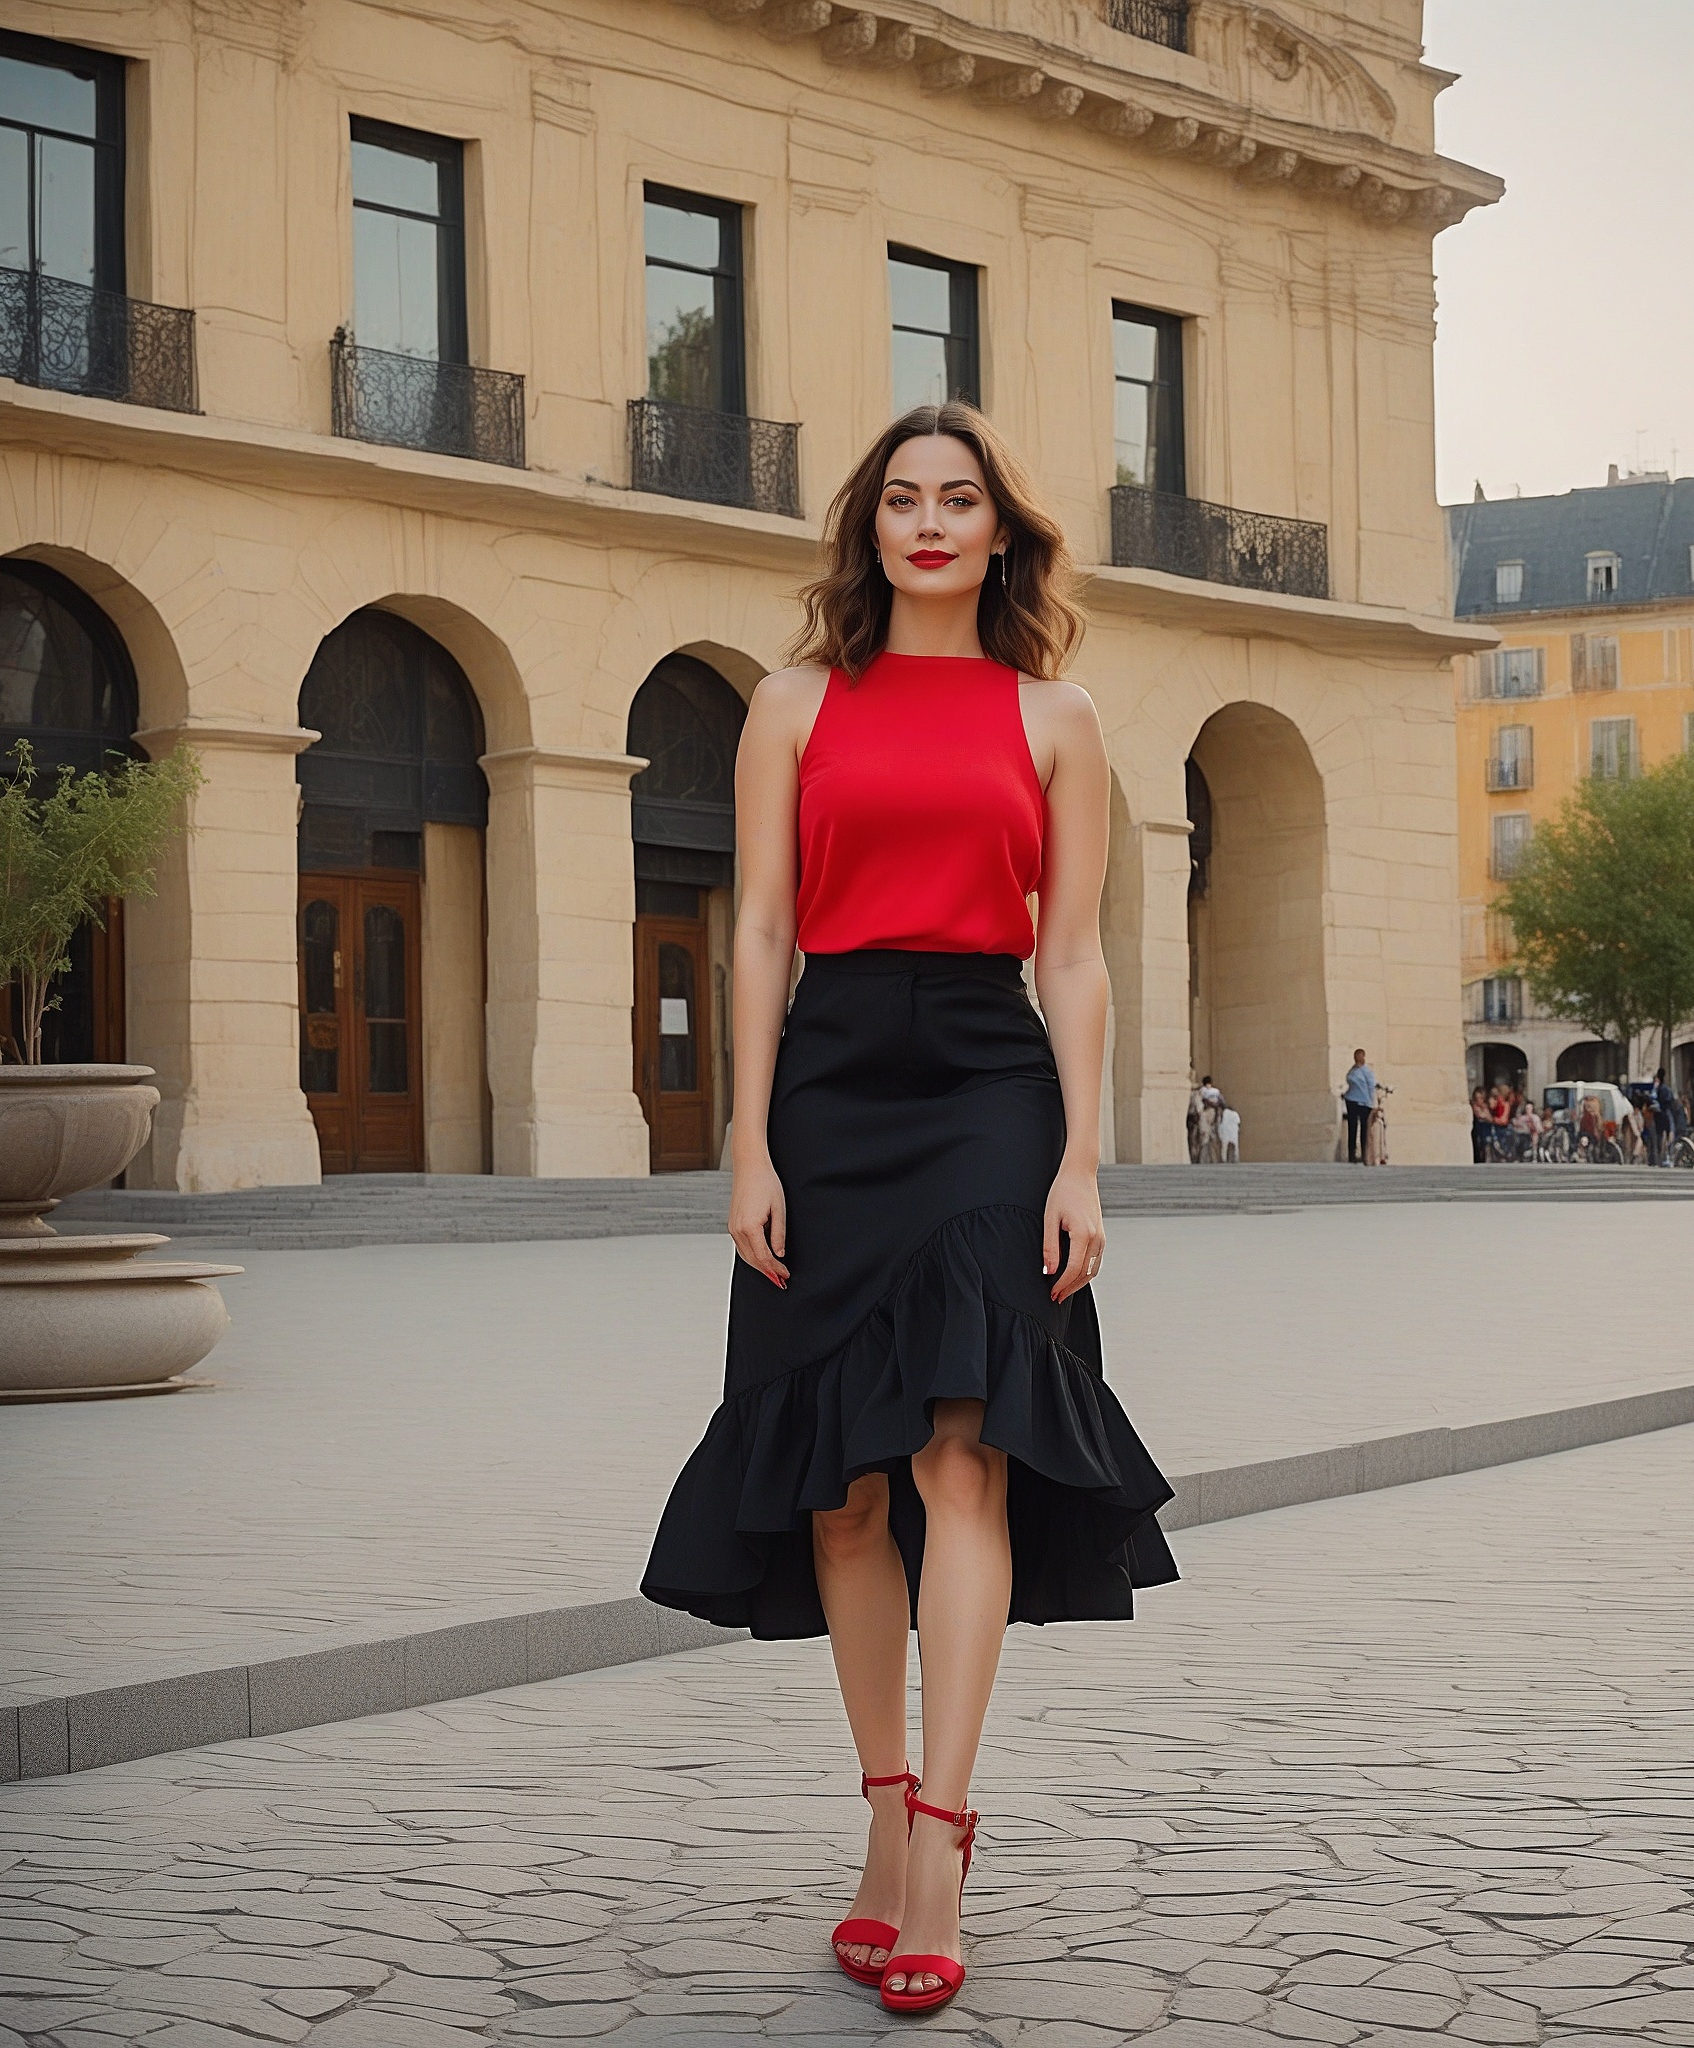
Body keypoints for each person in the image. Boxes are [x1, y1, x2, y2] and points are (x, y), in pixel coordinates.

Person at [640, 403, 1178, 2018]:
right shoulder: (788, 701)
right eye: (900, 499)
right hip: (829, 1082)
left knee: (961, 1447)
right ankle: (880, 1820)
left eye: (957, 499)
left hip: (986, 1087)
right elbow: (754, 934)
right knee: (840, 1490)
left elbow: (1070, 954)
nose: (927, 522)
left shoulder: (1057, 714)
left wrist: (1080, 1156)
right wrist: (744, 1141)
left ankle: (942, 1838)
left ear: (999, 529)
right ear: (867, 529)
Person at [1343, 1049, 1376, 1164]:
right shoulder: (1353, 1070)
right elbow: (1350, 1080)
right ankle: (1352, 1154)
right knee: (1352, 1128)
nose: (1357, 1058)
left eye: (1360, 1056)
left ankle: (1365, 1154)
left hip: (1364, 1103)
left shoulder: (1366, 1071)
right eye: (1356, 1056)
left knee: (1364, 1129)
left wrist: (1371, 1103)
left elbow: (1371, 1086)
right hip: (1352, 1100)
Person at [1470, 1085, 1491, 1164]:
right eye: (1477, 1098)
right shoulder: (1474, 1107)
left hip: (1484, 1129)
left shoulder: (1485, 1107)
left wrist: (1484, 1110)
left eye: (1481, 1098)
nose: (1479, 1100)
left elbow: (1489, 1118)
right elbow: (1479, 1115)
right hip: (1477, 1129)